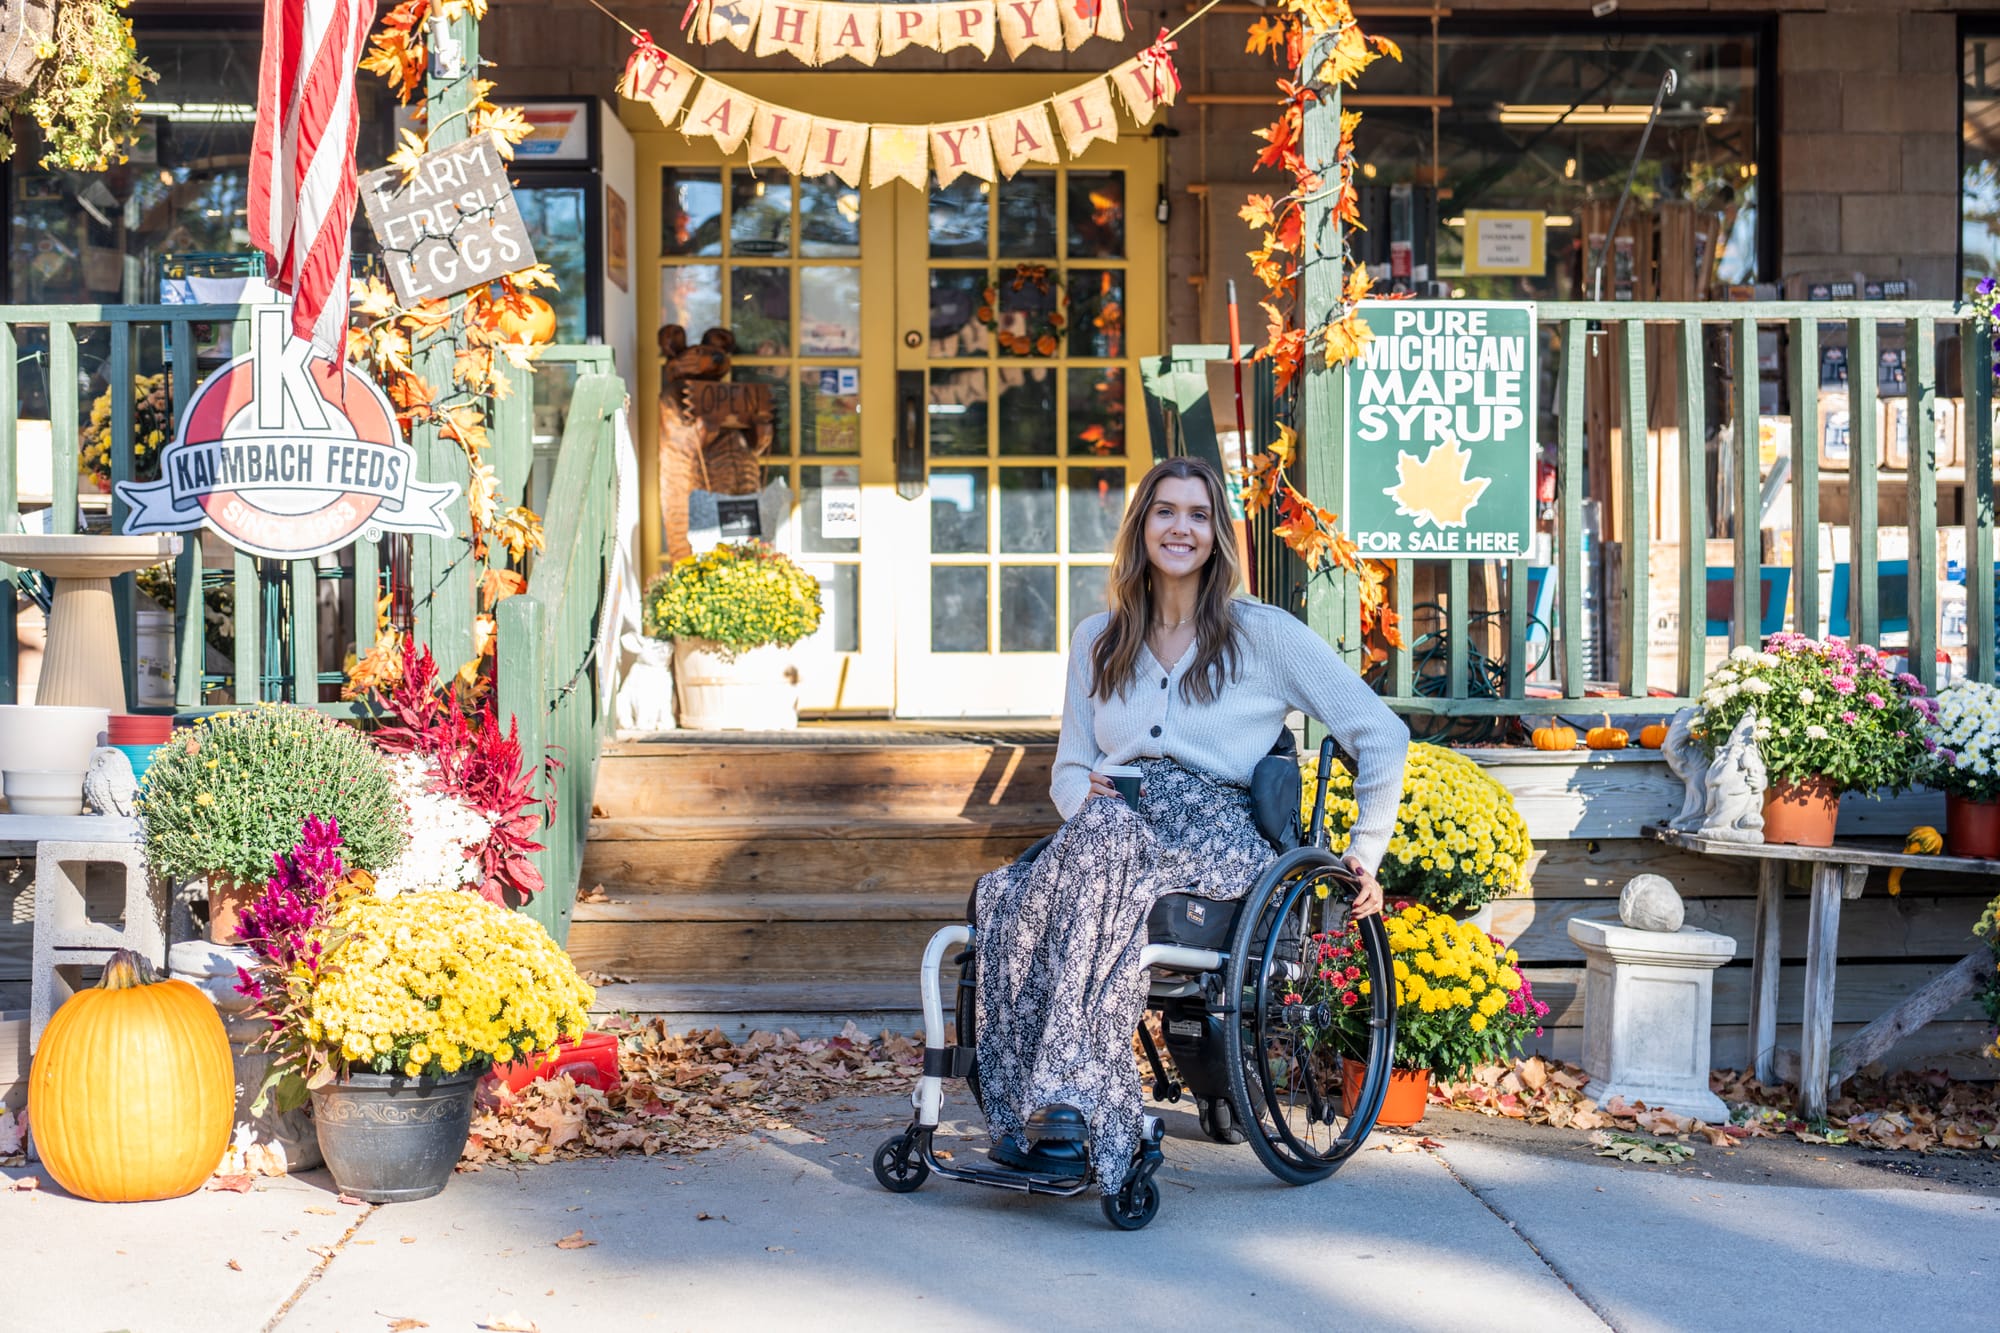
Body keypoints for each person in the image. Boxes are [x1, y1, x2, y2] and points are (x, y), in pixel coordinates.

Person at [972, 455, 1409, 1192]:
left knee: (1078, 864)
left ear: (1217, 535)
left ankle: (1075, 1107)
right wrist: (1091, 810)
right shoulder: (1097, 638)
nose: (1181, 526)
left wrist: (1365, 849)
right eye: (1166, 510)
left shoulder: (1261, 634)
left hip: (1219, 836)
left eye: (1198, 514)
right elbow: (1070, 768)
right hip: (1115, 826)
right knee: (1003, 897)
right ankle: (1030, 1105)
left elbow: (1380, 731)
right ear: (1141, 526)